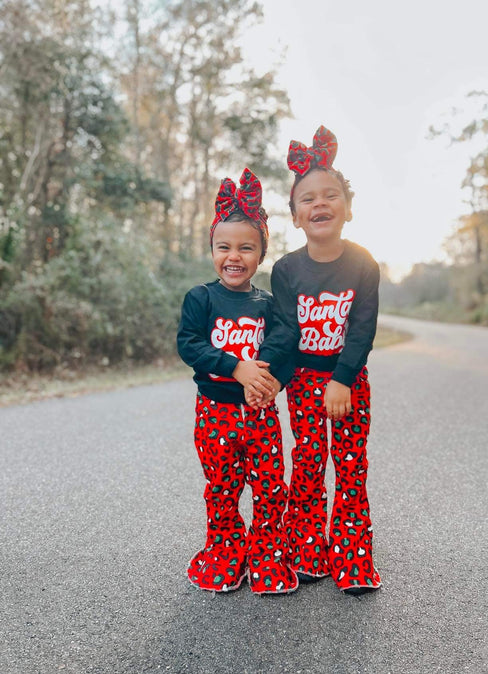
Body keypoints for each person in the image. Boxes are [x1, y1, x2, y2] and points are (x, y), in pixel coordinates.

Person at [252, 126, 382, 596]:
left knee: (349, 467)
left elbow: (362, 330)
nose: (319, 203)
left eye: (330, 195)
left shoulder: (363, 264)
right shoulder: (286, 270)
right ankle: (308, 547)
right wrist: (269, 377)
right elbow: (287, 332)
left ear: (347, 208)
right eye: (307, 199)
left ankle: (352, 556)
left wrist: (343, 379)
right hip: (305, 382)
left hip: (348, 382)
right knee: (307, 465)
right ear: (295, 216)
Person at [176, 167, 298, 595]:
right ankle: (225, 553)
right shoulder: (201, 298)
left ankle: (267, 556)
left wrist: (274, 383)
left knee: (269, 488)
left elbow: (286, 347)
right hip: (215, 413)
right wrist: (236, 367)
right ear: (212, 249)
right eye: (224, 246)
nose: (234, 256)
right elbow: (189, 344)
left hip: (261, 412)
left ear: (261, 253)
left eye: (246, 247)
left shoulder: (268, 304)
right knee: (223, 488)